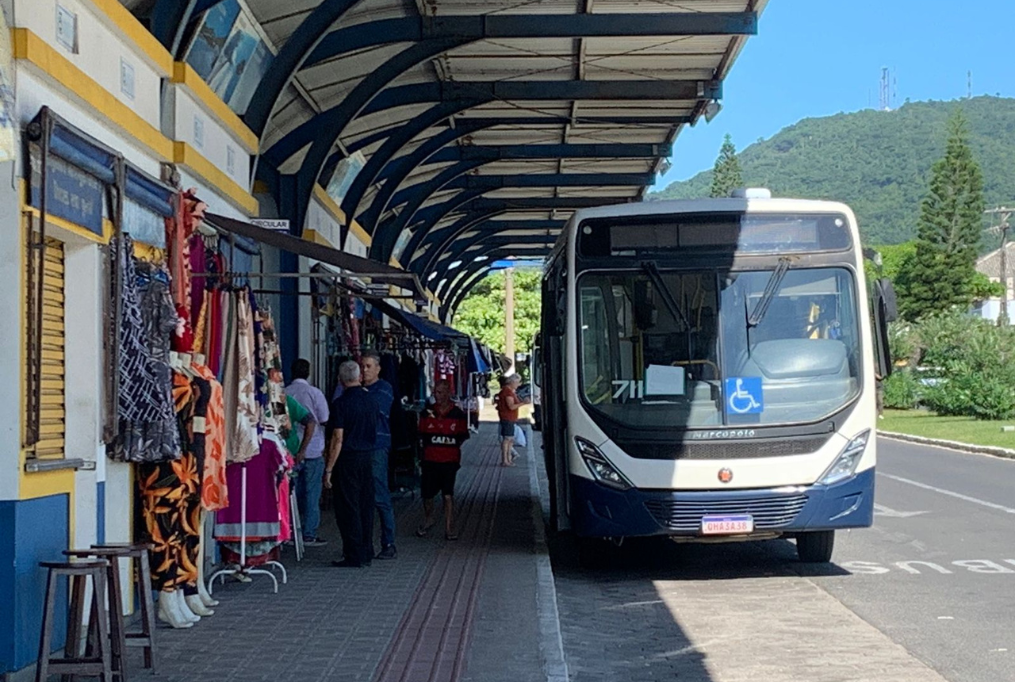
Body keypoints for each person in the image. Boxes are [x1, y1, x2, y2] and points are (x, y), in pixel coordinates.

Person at [323, 361, 378, 568]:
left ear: (340, 380)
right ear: (359, 377)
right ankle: (367, 549)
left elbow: (338, 438)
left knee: (348, 506)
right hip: (367, 457)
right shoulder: (371, 401)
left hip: (347, 459)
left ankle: (353, 553)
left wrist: (329, 468)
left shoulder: (340, 404)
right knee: (365, 504)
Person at [415, 382, 469, 541]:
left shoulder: (457, 414)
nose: (437, 396)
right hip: (430, 460)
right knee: (427, 494)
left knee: (447, 494)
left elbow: (462, 435)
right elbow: (421, 434)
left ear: (448, 393)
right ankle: (428, 518)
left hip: (449, 460)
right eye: (435, 392)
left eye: (440, 392)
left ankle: (449, 527)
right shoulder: (427, 413)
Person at [286, 359, 331, 547]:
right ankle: (309, 533)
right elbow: (324, 418)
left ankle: (289, 531)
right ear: (308, 373)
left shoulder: (284, 393)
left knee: (290, 493)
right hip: (313, 449)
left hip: (289, 450)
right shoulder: (314, 393)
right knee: (312, 493)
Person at [360, 351, 398, 560]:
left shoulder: (384, 388)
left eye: (368, 366)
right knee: (360, 497)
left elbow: (374, 410)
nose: (364, 371)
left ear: (378, 368)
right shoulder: (357, 389)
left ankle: (389, 542)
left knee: (380, 495)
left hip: (377, 446)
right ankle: (363, 543)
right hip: (358, 447)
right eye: (362, 366)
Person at [497, 373, 530, 467]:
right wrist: (523, 403)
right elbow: (511, 406)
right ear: (512, 382)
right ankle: (505, 460)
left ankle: (508, 459)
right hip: (507, 418)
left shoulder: (509, 391)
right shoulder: (507, 392)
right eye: (518, 382)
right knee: (507, 439)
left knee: (510, 439)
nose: (519, 384)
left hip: (509, 418)